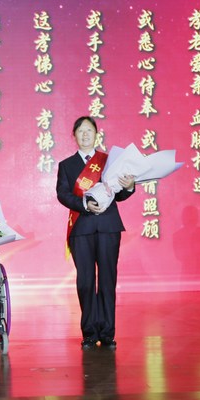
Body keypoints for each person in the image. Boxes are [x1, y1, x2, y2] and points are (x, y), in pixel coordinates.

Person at [56, 116, 135, 350]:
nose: (85, 134)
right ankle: (89, 332)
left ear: (96, 134)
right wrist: (84, 204)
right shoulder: (66, 165)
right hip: (81, 228)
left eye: (89, 130)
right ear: (74, 135)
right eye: (81, 131)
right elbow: (62, 194)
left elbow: (120, 194)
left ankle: (108, 333)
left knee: (108, 280)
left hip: (109, 227)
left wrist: (130, 186)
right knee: (86, 281)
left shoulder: (109, 161)